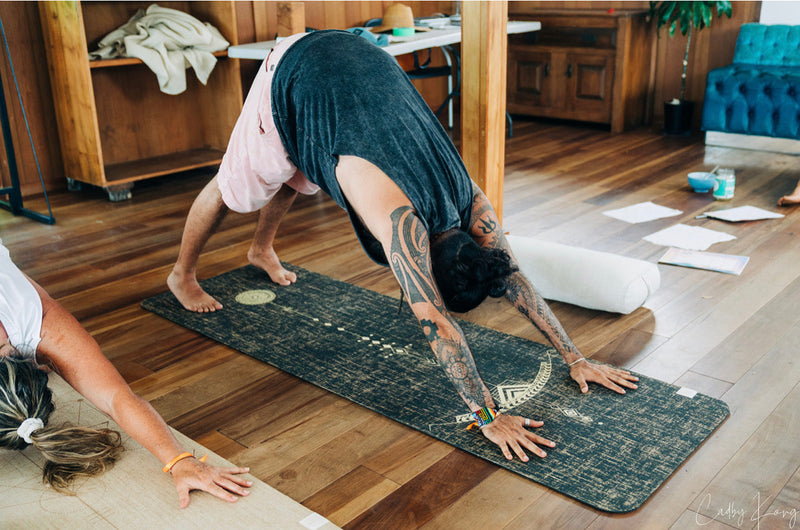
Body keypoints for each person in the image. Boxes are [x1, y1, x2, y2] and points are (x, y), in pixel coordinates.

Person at [168, 30, 639, 462]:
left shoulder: (469, 201)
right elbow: (435, 321)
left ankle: (260, 251)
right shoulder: (403, 225)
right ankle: (182, 274)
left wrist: (575, 358)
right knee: (234, 189)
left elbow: (513, 277)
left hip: (355, 65)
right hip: (293, 69)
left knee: (298, 168)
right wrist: (489, 419)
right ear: (430, 267)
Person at [0, 242, 251, 507]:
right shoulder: (39, 320)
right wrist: (177, 459)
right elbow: (115, 398)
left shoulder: (38, 318)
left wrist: (180, 460)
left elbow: (117, 399)